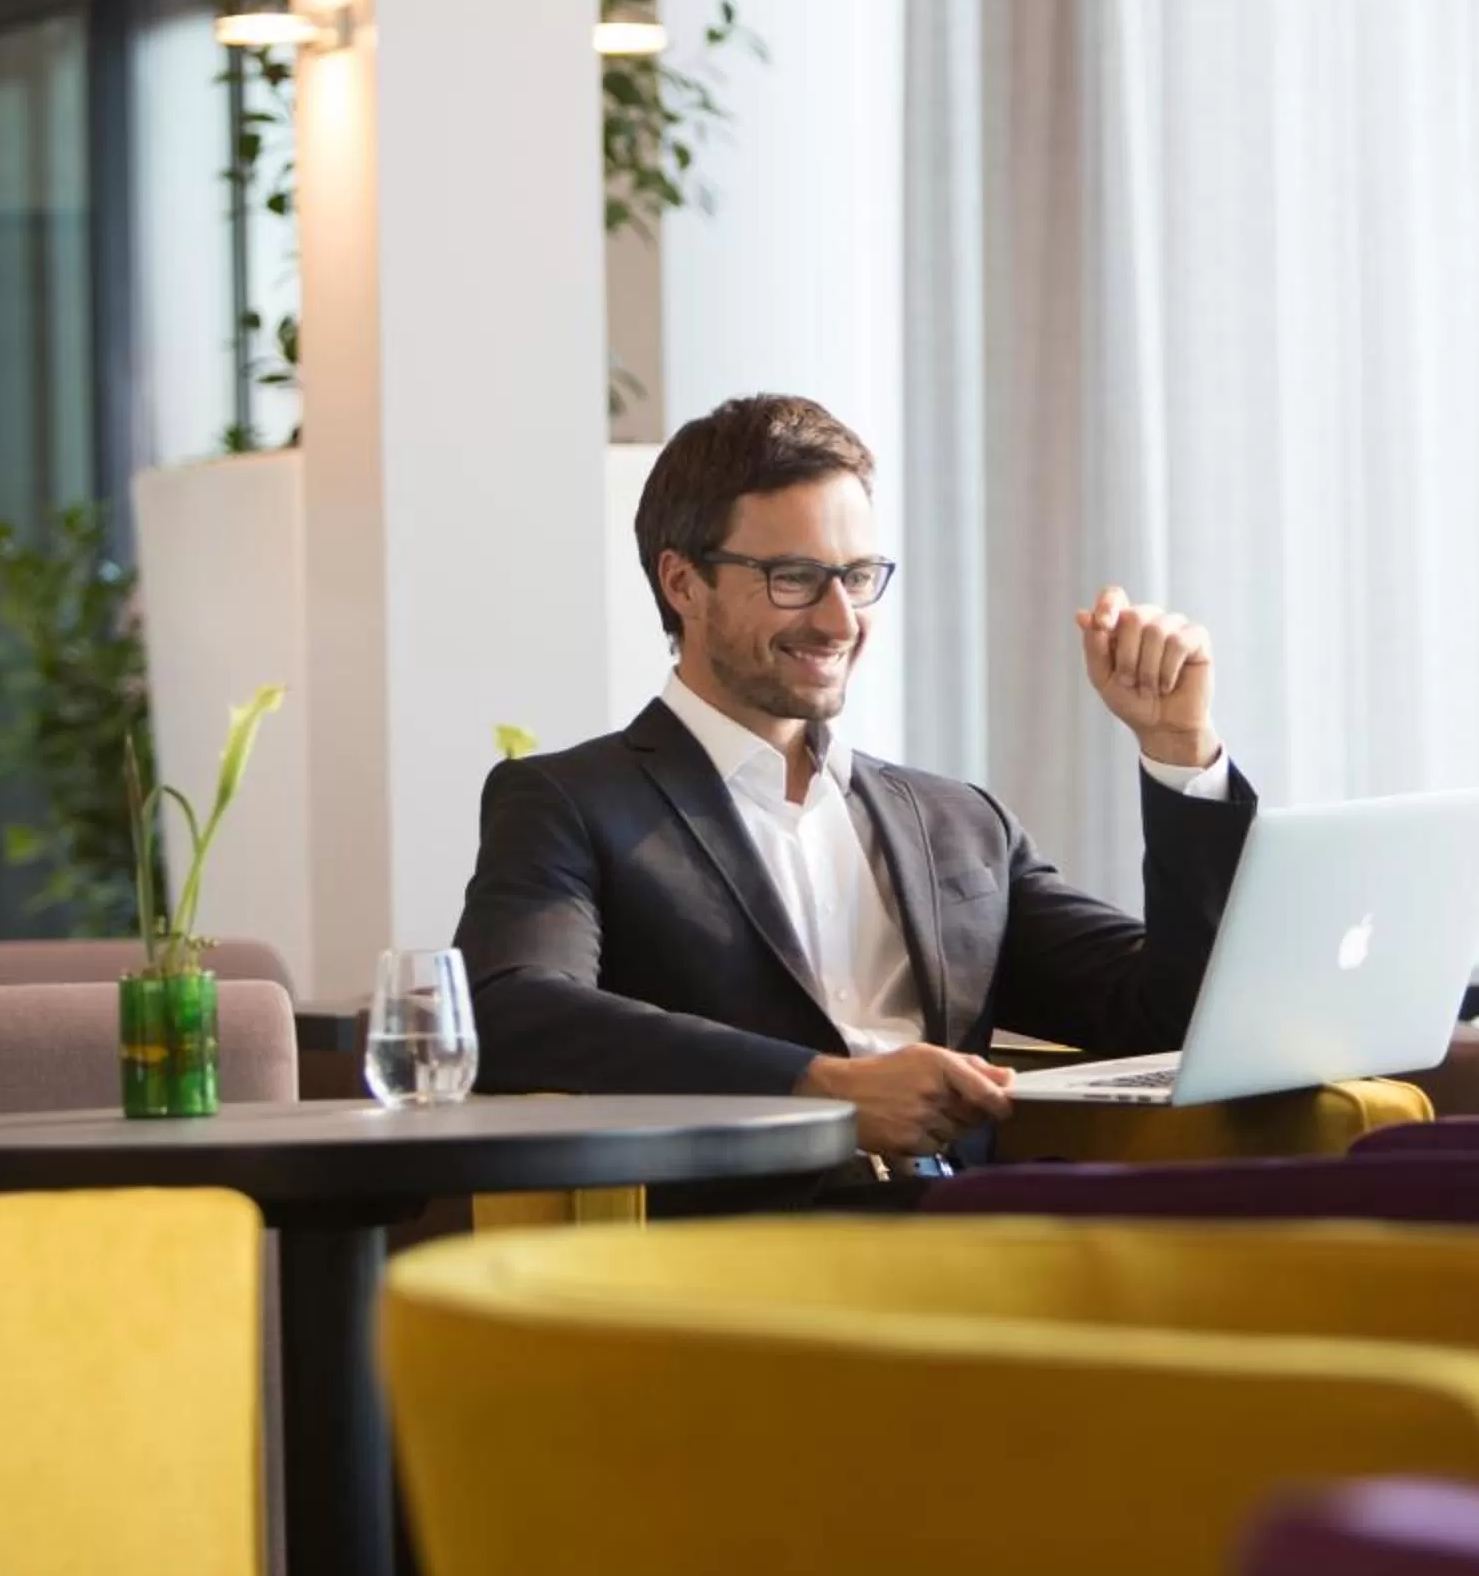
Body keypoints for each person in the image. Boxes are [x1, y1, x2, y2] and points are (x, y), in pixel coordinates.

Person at [455, 393, 1257, 1192]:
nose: (841, 620)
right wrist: (819, 1087)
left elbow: (1174, 1014)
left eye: (859, 575)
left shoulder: (959, 823)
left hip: (968, 1231)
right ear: (683, 584)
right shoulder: (572, 802)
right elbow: (514, 1010)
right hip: (746, 1261)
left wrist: (1178, 746)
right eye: (796, 578)